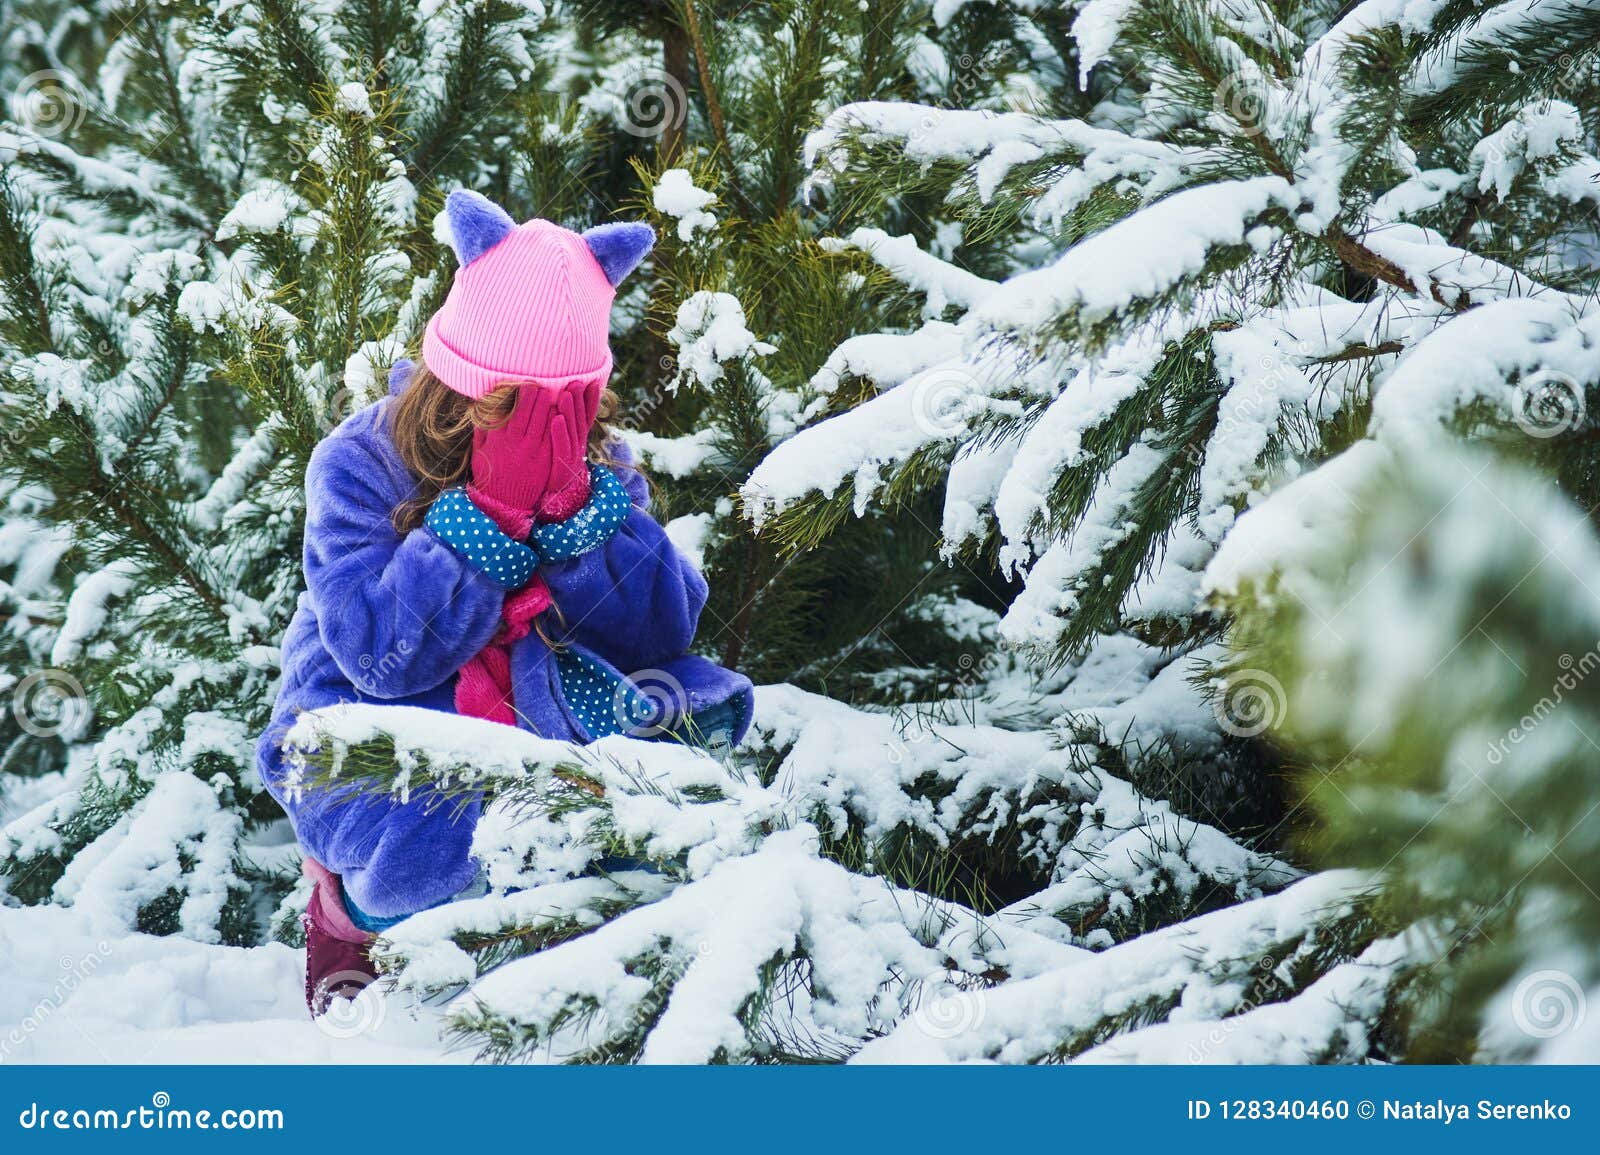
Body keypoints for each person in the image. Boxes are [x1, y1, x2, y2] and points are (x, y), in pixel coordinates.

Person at [255, 190, 753, 1014]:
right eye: (511, 405)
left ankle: (579, 965)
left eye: (568, 407)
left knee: (669, 754)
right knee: (430, 835)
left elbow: (664, 629)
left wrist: (575, 517)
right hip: (367, 716)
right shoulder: (360, 461)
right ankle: (354, 916)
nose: (540, 424)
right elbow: (378, 655)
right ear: (456, 384)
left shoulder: (592, 463)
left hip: (533, 700)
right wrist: (481, 523)